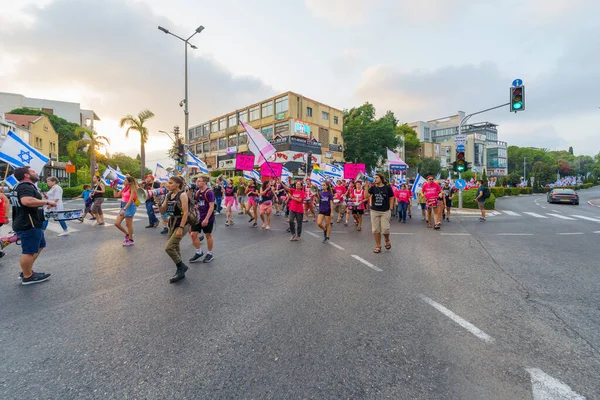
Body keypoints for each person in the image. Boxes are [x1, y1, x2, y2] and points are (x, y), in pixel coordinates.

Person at [11, 166, 57, 285]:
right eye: (33, 171)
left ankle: (27, 270)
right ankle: (27, 276)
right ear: (26, 175)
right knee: (29, 251)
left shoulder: (19, 186)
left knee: (40, 245)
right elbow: (26, 201)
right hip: (28, 224)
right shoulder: (25, 187)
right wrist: (46, 202)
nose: (36, 173)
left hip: (28, 222)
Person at [159, 176, 190, 283]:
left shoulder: (182, 195)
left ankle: (181, 266)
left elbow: (186, 213)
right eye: (168, 182)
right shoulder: (168, 195)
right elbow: (163, 211)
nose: (168, 184)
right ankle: (180, 271)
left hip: (182, 223)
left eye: (170, 183)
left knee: (169, 247)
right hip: (172, 222)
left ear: (177, 184)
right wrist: (158, 202)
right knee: (175, 246)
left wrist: (181, 228)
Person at [189, 176, 215, 263]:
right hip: (198, 217)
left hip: (207, 217)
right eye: (197, 181)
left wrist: (206, 219)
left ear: (204, 182)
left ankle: (209, 253)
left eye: (199, 181)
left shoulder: (209, 192)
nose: (197, 182)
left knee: (208, 235)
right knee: (193, 234)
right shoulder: (197, 193)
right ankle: (199, 252)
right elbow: (197, 204)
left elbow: (211, 207)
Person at [367, 173, 394, 253]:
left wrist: (391, 208)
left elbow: (392, 197)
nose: (375, 179)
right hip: (374, 211)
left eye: (377, 177)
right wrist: (365, 186)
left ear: (381, 179)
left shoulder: (387, 188)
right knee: (375, 230)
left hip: (385, 211)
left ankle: (387, 239)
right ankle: (378, 246)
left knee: (385, 229)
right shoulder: (373, 188)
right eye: (374, 178)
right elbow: (366, 196)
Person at [114, 176, 138, 246]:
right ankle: (127, 234)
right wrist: (114, 187)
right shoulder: (125, 188)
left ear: (130, 182)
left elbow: (131, 200)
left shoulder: (132, 188)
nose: (124, 181)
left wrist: (124, 209)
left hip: (129, 206)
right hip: (123, 206)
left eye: (125, 180)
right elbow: (116, 195)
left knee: (128, 224)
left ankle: (131, 240)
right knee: (116, 223)